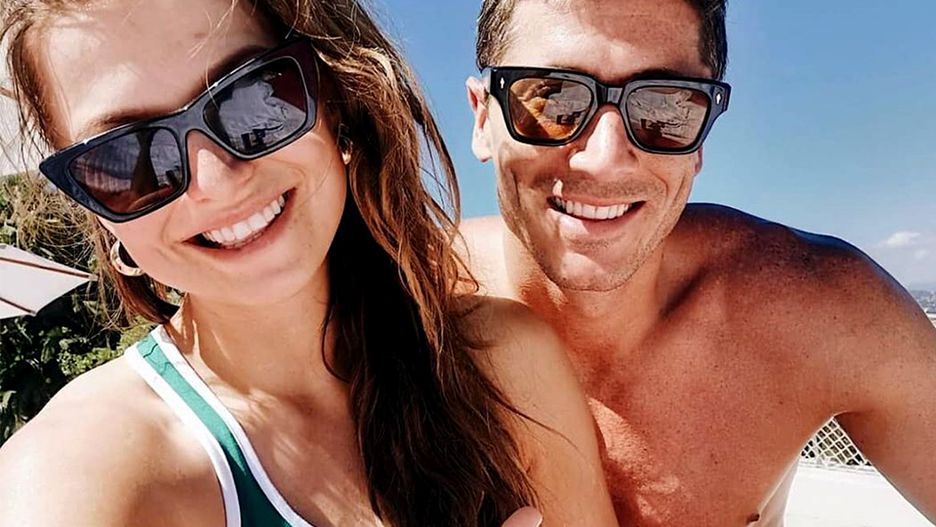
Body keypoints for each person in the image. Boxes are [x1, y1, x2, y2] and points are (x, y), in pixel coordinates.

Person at [0, 0, 618, 525]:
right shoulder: (75, 477)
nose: (217, 182)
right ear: (90, 202)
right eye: (127, 157)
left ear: (335, 95)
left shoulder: (504, 366)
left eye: (253, 96)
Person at [462, 0, 936, 524]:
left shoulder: (822, 311)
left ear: (701, 137)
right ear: (483, 118)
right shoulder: (410, 309)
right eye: (554, 99)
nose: (603, 159)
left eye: (665, 108)